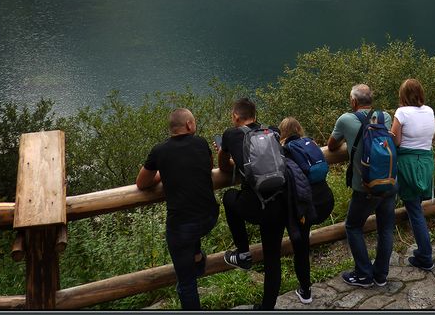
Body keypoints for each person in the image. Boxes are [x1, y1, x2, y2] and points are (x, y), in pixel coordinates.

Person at [136, 108, 219, 311]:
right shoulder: (200, 143)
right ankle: (197, 257)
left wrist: (164, 173)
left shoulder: (159, 151)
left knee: (186, 284)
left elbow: (142, 183)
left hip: (182, 227)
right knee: (192, 227)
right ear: (189, 125)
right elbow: (208, 166)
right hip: (210, 217)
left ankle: (194, 263)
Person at [218, 98, 285, 310]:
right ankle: (267, 307)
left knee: (229, 197)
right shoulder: (272, 131)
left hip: (254, 205)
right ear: (255, 115)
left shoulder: (231, 134)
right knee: (273, 258)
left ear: (236, 117)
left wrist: (222, 149)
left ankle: (243, 252)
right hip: (279, 201)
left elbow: (225, 168)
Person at [327, 84, 396, 288]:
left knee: (353, 226)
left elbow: (331, 145)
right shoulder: (385, 117)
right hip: (390, 183)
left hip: (365, 187)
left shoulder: (346, 119)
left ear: (354, 102)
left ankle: (364, 274)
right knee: (386, 229)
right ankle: (381, 275)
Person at [279, 117, 336, 304]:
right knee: (305, 239)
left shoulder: (285, 151)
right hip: (326, 201)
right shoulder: (309, 143)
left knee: (301, 248)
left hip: (306, 206)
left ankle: (305, 291)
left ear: (282, 133)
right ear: (299, 129)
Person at [390, 78, 435, 271]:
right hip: (426, 162)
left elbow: (396, 141)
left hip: (408, 163)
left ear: (403, 95)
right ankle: (423, 253)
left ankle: (425, 256)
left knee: (413, 211)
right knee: (416, 208)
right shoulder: (429, 111)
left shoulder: (401, 113)